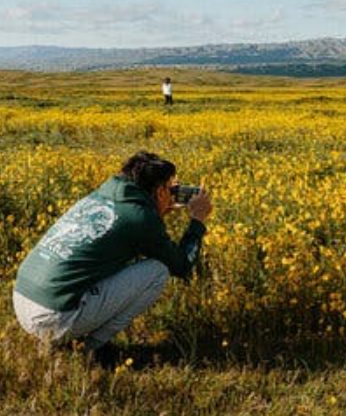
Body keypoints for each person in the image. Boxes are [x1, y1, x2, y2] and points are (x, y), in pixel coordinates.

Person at [13, 151, 211, 363]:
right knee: (157, 271)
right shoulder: (141, 218)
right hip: (53, 317)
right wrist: (197, 221)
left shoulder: (101, 196)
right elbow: (181, 266)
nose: (173, 192)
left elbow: (125, 227)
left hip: (22, 301)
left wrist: (156, 211)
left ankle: (71, 338)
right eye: (169, 187)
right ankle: (93, 349)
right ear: (160, 190)